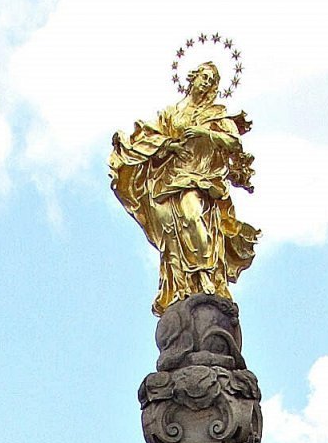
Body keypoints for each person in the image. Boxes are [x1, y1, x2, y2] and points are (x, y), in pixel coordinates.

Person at [110, 60, 260, 313]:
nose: (208, 83)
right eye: (205, 76)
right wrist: (167, 146)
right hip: (167, 181)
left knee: (192, 216)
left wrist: (205, 134)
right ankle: (182, 288)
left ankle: (206, 279)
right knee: (170, 238)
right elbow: (152, 138)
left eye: (213, 81)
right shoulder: (172, 113)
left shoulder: (216, 115)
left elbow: (233, 142)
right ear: (193, 78)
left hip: (199, 180)